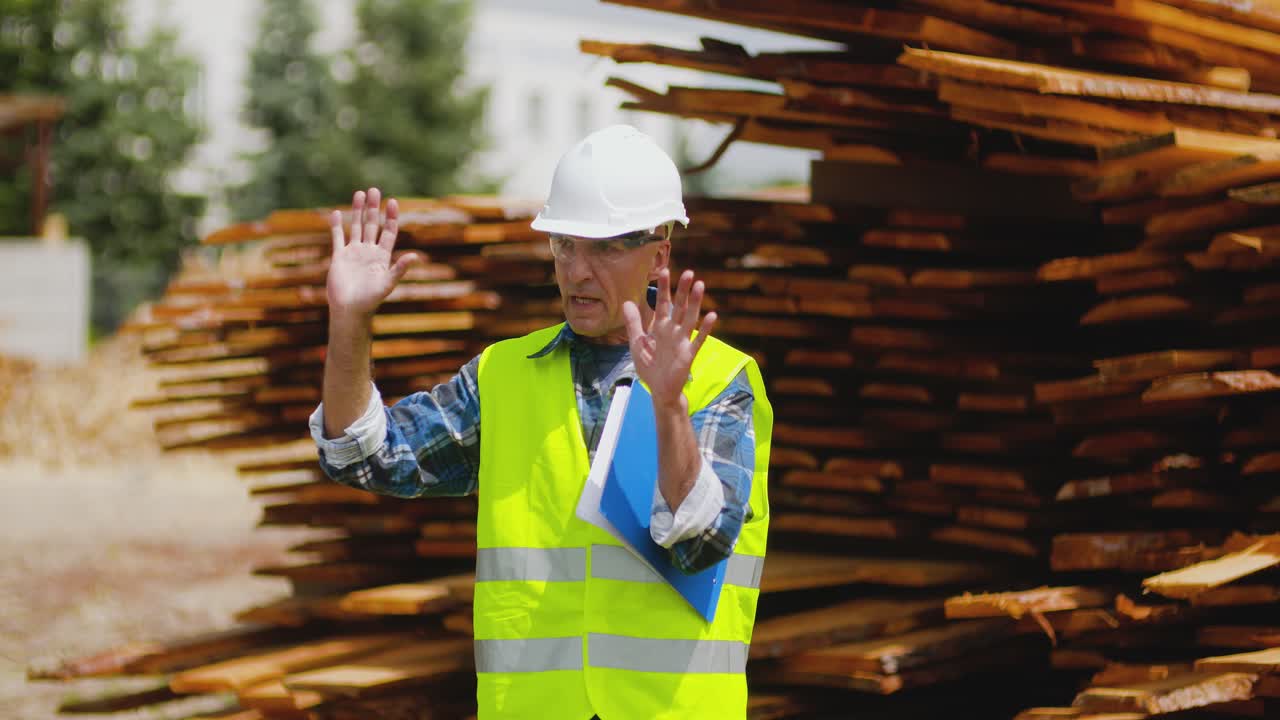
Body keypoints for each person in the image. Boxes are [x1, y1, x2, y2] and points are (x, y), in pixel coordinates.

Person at [309, 124, 772, 719]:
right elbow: (365, 455)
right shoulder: (504, 376)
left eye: (603, 248)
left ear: (659, 255)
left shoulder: (716, 379)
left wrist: (669, 408)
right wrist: (349, 321)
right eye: (564, 245)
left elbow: (699, 538)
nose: (576, 271)